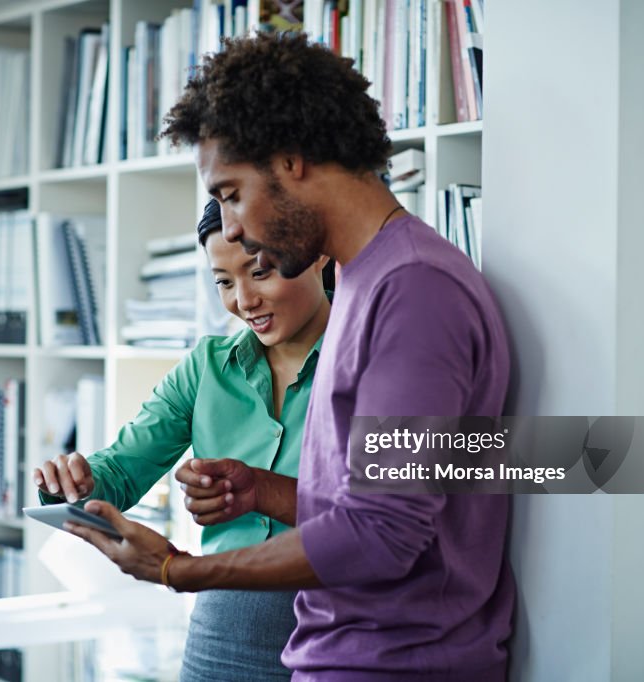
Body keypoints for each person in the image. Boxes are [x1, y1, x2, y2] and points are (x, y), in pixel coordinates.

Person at [61, 32, 515, 681]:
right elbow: (389, 499)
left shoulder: (415, 289)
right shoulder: (367, 279)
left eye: (231, 193)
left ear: (291, 160)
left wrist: (178, 568)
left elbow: (384, 534)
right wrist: (263, 490)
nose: (233, 227)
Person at [33, 198, 331, 681]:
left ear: (318, 254)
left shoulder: (367, 357)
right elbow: (122, 468)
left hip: (337, 617)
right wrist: (76, 484)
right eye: (224, 282)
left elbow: (385, 511)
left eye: (260, 272)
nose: (243, 301)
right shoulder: (206, 366)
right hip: (223, 625)